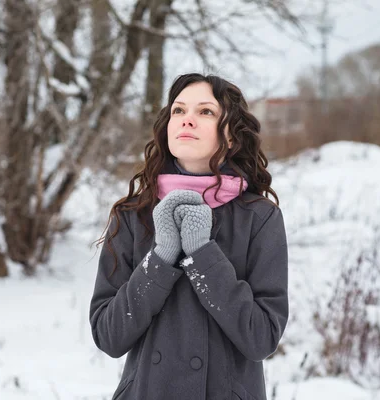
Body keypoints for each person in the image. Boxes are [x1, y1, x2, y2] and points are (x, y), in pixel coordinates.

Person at [89, 73, 288, 400]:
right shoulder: (132, 215)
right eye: (178, 111)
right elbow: (109, 337)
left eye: (206, 112)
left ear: (232, 136)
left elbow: (261, 339)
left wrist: (202, 254)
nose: (187, 120)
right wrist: (161, 257)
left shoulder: (260, 218)